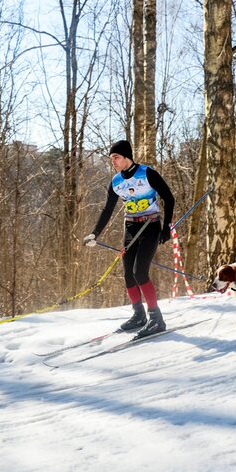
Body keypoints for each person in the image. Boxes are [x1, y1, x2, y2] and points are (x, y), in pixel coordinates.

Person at [83, 140, 175, 337]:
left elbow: (169, 198)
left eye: (116, 157)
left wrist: (166, 227)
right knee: (128, 275)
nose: (113, 161)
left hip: (150, 226)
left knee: (139, 272)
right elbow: (107, 209)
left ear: (127, 157)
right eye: (111, 158)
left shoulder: (147, 173)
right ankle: (138, 315)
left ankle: (156, 319)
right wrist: (94, 233)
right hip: (131, 228)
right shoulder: (116, 181)